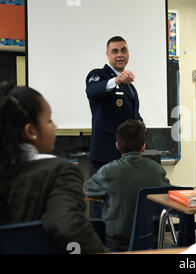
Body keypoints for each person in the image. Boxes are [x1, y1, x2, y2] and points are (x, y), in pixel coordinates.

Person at [0, 83, 106, 253]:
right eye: (49, 120)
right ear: (31, 131)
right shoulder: (59, 172)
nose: (55, 126)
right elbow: (69, 228)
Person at [84, 119, 170, 251]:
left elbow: (85, 191)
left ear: (117, 145)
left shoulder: (107, 171)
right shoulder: (157, 170)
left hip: (115, 244)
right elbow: (169, 194)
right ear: (143, 146)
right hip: (149, 243)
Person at [86, 36, 143, 173]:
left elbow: (131, 113)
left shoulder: (129, 85)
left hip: (128, 155)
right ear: (107, 55)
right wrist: (116, 80)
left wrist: (141, 124)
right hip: (106, 155)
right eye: (115, 51)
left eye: (124, 50)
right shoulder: (98, 75)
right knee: (104, 195)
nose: (120, 55)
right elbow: (92, 91)